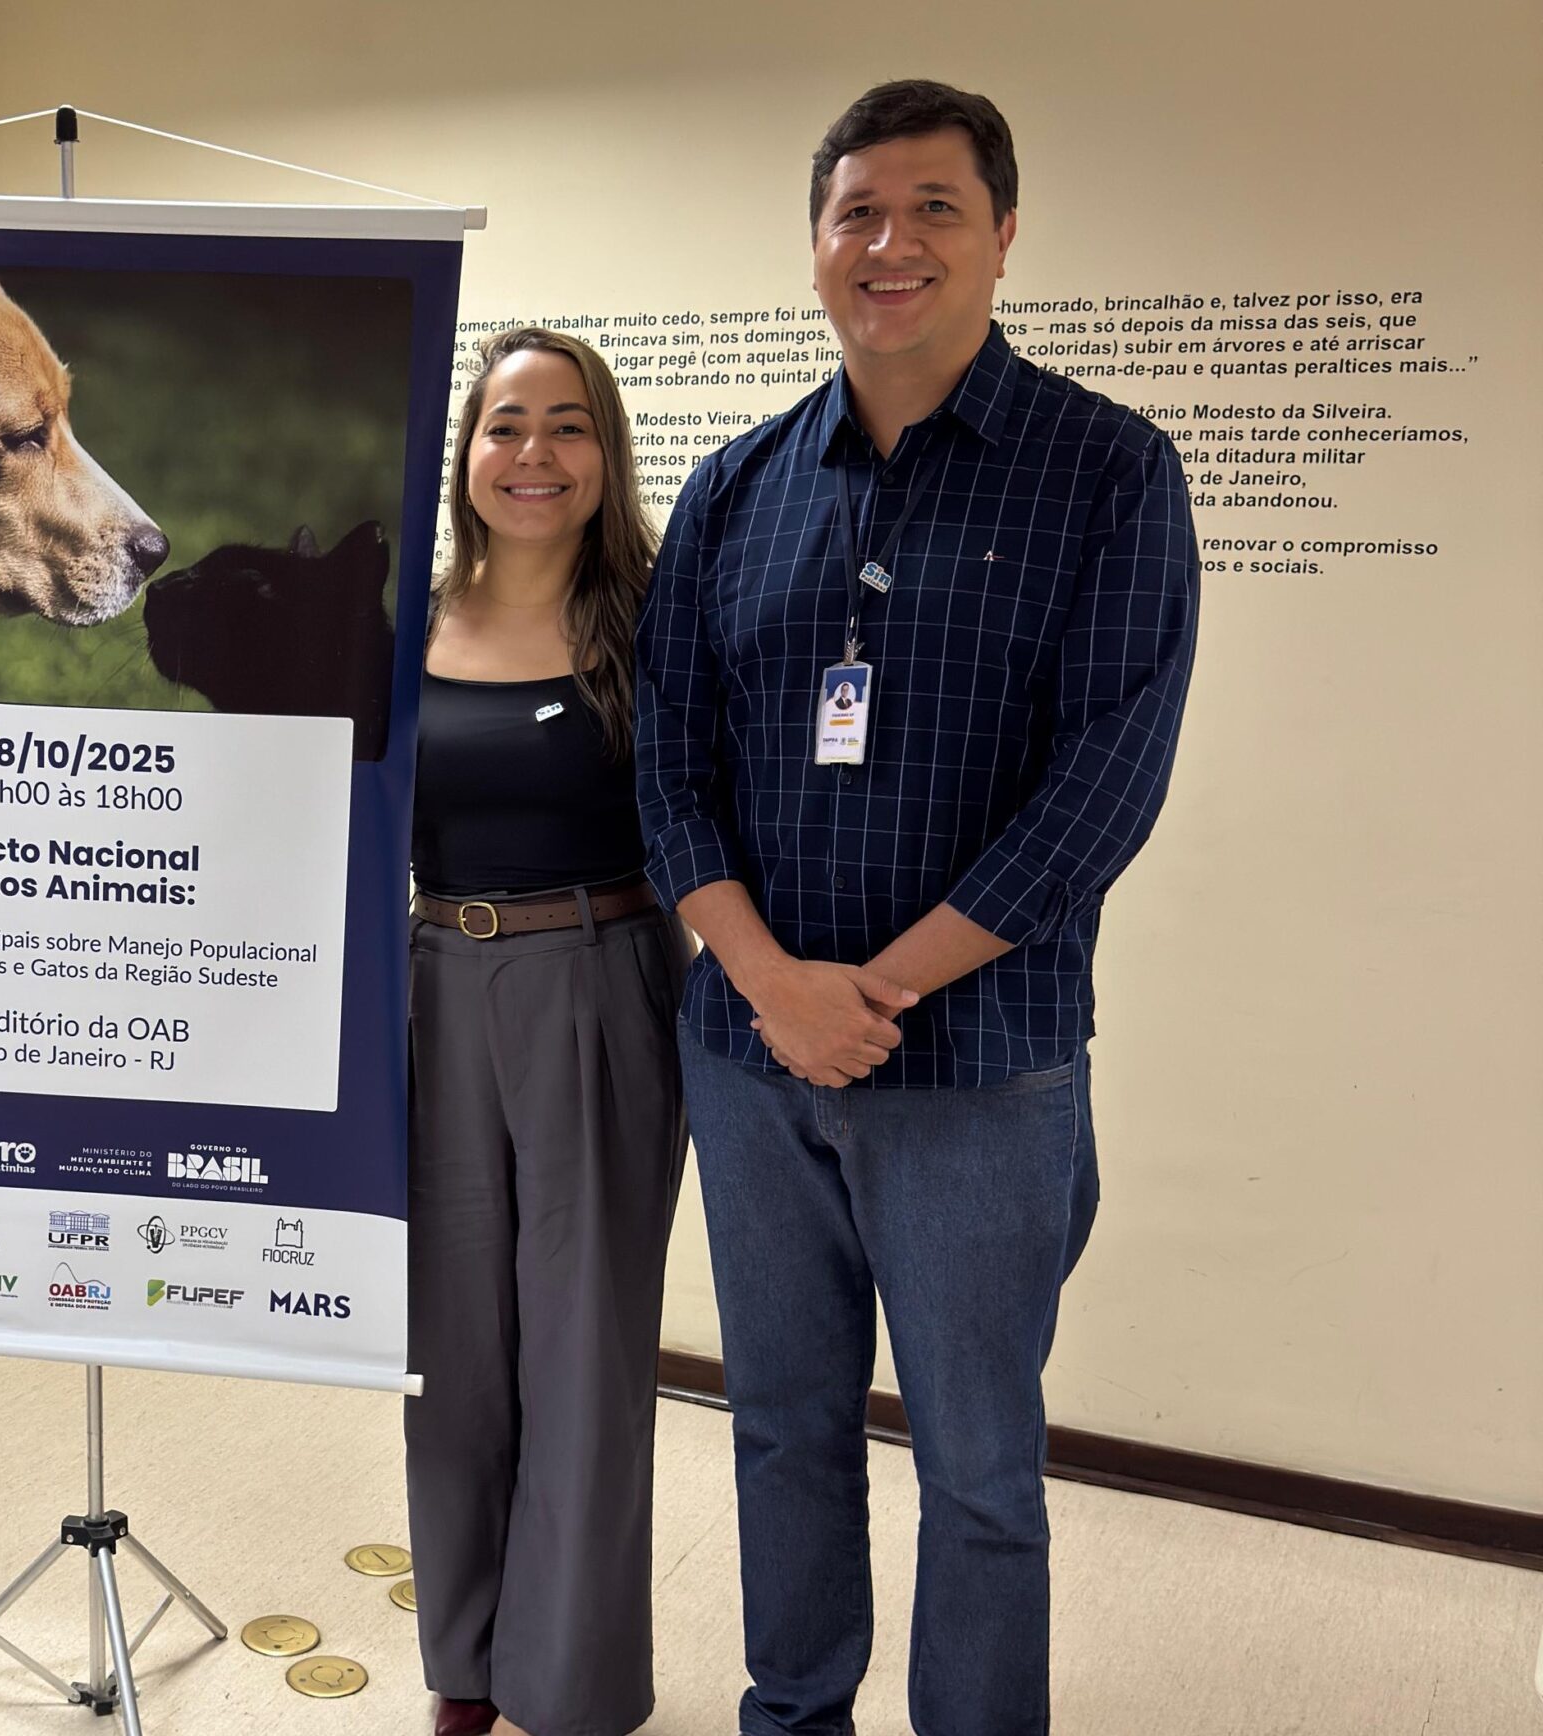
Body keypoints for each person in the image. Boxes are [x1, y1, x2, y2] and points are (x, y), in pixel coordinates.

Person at [636, 80, 1197, 1736]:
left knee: (978, 1469)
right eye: (858, 212)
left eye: (936, 209)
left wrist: (866, 992)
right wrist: (771, 986)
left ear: (1004, 236)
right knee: (781, 1431)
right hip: (752, 1065)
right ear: (817, 243)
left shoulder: (1107, 472)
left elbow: (1103, 788)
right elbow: (668, 763)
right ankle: (794, 1713)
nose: (893, 244)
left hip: (980, 1068)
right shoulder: (737, 488)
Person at [405, 327, 687, 1736]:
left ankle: (565, 1686)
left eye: (568, 425)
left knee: (584, 1351)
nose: (534, 454)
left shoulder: (657, 618)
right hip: (433, 989)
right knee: (450, 1349)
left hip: (601, 977)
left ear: (606, 453)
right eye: (505, 424)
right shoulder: (400, 622)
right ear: (466, 450)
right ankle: (466, 1663)